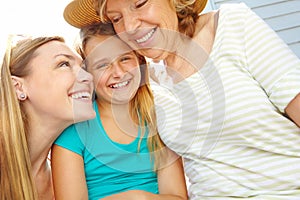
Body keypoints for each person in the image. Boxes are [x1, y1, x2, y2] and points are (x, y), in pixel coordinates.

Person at [63, 0, 300, 199]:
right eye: (116, 19)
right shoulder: (147, 79)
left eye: (139, 3)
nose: (130, 26)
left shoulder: (233, 25)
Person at [51, 22, 188, 200]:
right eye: (102, 65)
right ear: (87, 75)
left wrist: (141, 198)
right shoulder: (73, 133)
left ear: (139, 61)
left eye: (124, 59)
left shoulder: (159, 119)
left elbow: (177, 197)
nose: (118, 72)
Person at [0, 35, 95, 200]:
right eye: (64, 64)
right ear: (18, 87)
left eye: (84, 67)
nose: (88, 76)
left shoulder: (69, 179)